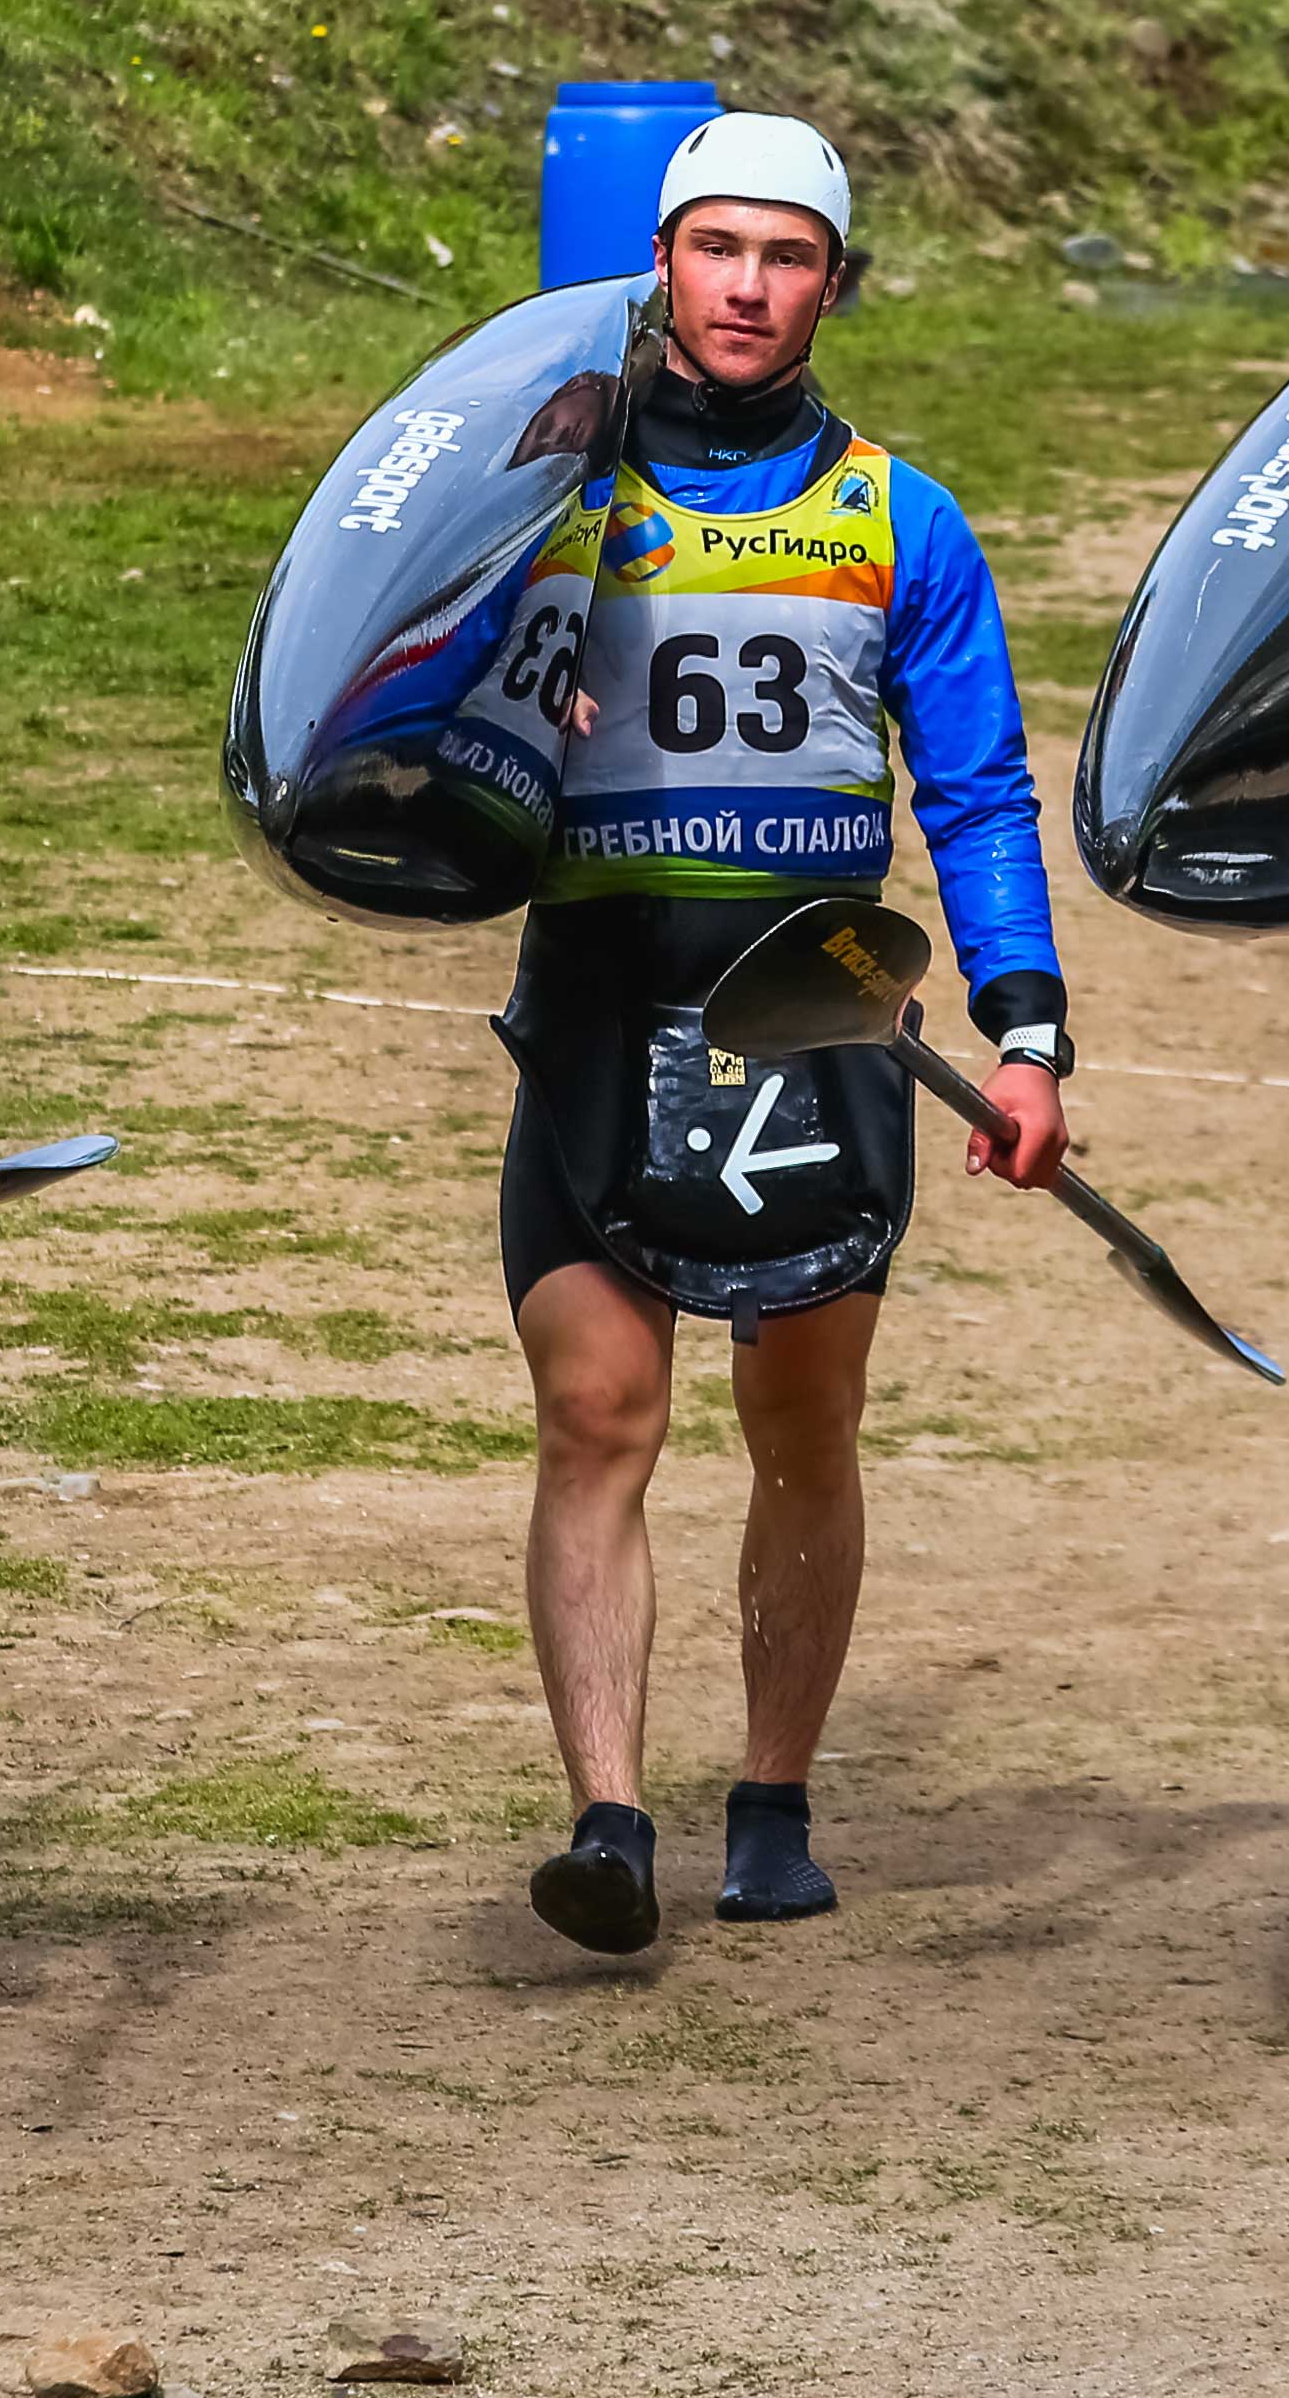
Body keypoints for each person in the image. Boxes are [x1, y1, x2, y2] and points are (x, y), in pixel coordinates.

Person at [446, 111, 1073, 1956]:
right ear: (661, 266)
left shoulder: (903, 519)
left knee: (804, 1419)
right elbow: (396, 696)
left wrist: (1028, 1030)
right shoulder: (545, 491)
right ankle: (610, 1817)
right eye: (716, 247)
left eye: (786, 256)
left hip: (821, 1020)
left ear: (832, 285)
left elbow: (977, 791)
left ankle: (775, 1793)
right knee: (598, 1407)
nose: (746, 285)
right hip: (600, 1001)